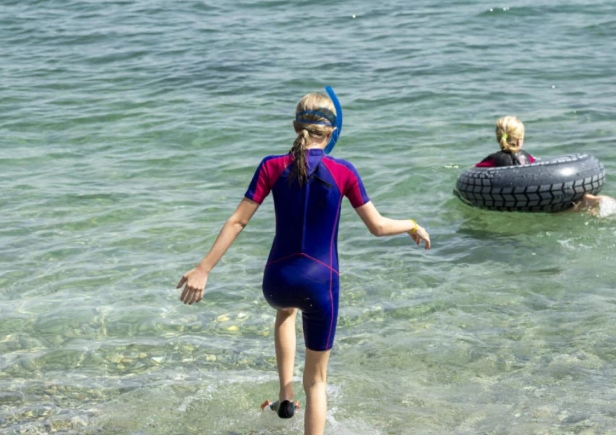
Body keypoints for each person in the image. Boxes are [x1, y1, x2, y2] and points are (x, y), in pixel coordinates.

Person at [176, 91, 431, 435]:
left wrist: (203, 269)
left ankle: (285, 396)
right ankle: (299, 399)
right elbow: (378, 226)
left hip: (277, 282)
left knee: (286, 311)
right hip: (320, 284)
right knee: (317, 382)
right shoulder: (343, 171)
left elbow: (238, 221)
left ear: (296, 126)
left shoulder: (271, 165)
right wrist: (412, 225)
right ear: (332, 132)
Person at [475, 115, 616, 215]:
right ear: (519, 140)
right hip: (537, 192)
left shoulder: (492, 160)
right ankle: (588, 200)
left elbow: (477, 171)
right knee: (559, 206)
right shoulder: (527, 157)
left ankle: (585, 204)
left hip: (523, 200)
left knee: (552, 214)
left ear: (498, 138)